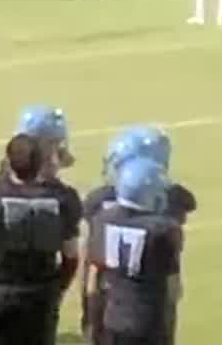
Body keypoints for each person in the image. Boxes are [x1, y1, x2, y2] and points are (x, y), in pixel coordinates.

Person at [0, 134, 82, 345]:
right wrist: (57, 290)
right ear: (40, 163)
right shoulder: (64, 199)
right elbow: (71, 257)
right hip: (42, 294)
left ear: (8, 162)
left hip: (1, 293)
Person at [80, 128, 198, 340]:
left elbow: (90, 266)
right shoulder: (167, 212)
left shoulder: (99, 204)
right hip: (148, 305)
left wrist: (89, 314)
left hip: (110, 299)